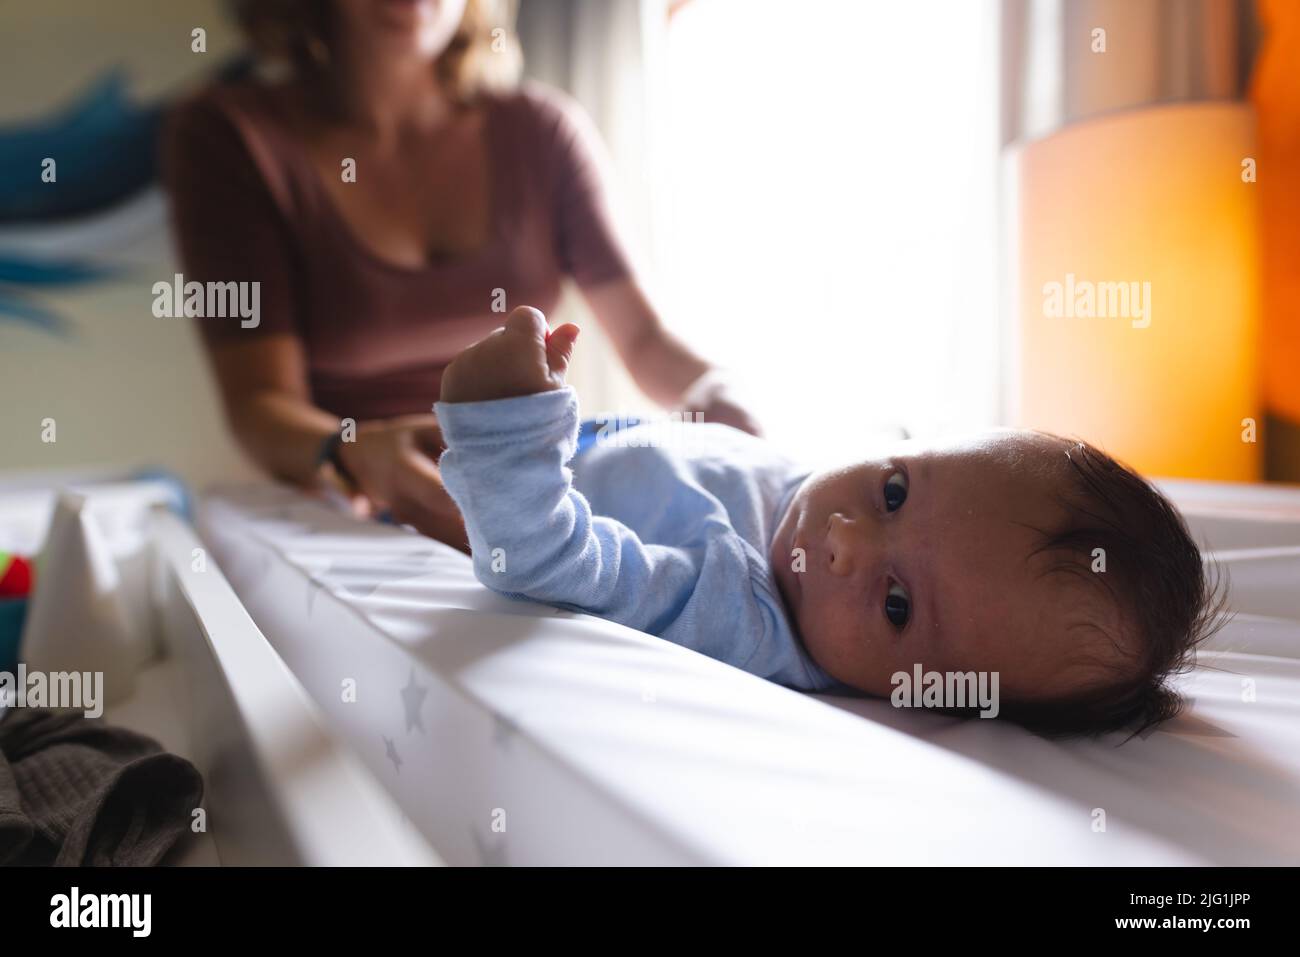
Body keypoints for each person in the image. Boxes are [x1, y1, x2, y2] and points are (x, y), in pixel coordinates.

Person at [432, 306, 1224, 737]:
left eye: (897, 606)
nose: (842, 539)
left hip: (495, 497)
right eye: (894, 492)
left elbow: (542, 559)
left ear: (930, 696)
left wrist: (504, 432)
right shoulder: (808, 492)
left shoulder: (743, 616)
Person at [163, 0, 756, 546]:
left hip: (535, 487)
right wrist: (352, 452)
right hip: (357, 516)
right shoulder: (230, 138)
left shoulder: (542, 131)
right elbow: (261, 405)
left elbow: (646, 341)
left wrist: (718, 393)